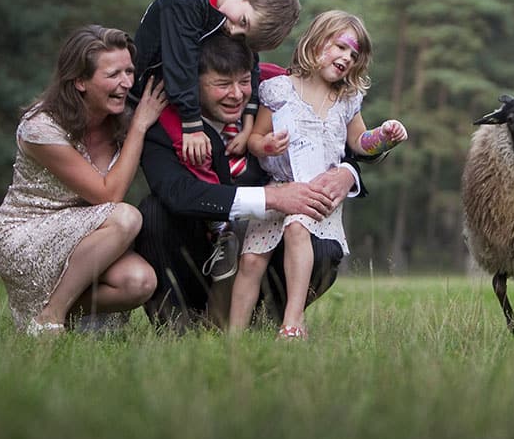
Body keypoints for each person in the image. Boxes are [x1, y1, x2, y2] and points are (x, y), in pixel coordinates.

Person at [134, 33, 367, 334]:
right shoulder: (166, 122)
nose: (236, 94)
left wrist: (348, 171)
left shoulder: (277, 99)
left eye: (244, 82)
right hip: (199, 250)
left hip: (268, 254)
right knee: (152, 213)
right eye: (222, 84)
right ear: (194, 84)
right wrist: (271, 199)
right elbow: (176, 193)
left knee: (319, 242)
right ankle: (178, 324)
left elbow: (336, 140)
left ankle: (267, 321)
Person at [228, 10, 408, 340]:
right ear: (315, 42)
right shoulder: (277, 90)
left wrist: (384, 136)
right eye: (340, 47)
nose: (346, 58)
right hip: (279, 188)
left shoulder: (346, 99)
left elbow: (359, 143)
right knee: (252, 259)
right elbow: (254, 138)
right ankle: (234, 336)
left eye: (354, 55)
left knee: (298, 229)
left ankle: (292, 323)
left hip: (318, 193)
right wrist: (265, 145)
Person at [0, 25, 168, 336]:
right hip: (28, 233)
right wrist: (140, 127)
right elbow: (107, 194)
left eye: (129, 71)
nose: (126, 83)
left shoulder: (120, 124)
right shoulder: (41, 127)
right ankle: (51, 317)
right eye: (113, 74)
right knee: (126, 216)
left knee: (140, 282)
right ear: (80, 81)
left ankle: (44, 312)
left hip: (91, 236)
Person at [131, 0, 301, 281]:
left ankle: (226, 232)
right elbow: (180, 64)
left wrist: (249, 122)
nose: (233, 30)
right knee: (200, 146)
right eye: (243, 23)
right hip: (152, 92)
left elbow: (251, 63)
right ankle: (219, 225)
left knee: (275, 80)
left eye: (242, 33)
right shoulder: (187, 1)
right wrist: (193, 125)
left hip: (181, 92)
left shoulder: (228, 13)